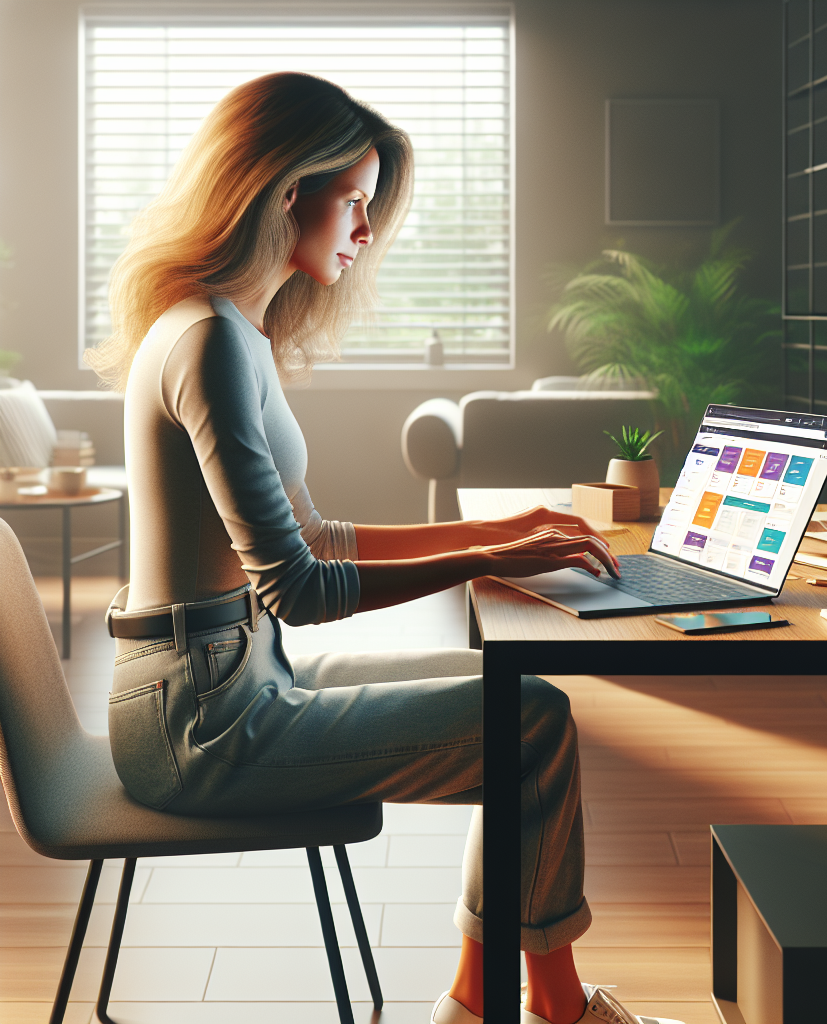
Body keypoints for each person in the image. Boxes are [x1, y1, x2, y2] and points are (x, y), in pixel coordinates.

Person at [89, 72, 680, 1024]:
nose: (364, 231)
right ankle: (554, 1011)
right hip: (201, 726)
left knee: (515, 700)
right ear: (289, 191)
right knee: (529, 722)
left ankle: (473, 1002)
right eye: (354, 201)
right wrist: (489, 561)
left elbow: (314, 536)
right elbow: (301, 586)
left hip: (226, 676)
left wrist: (500, 529)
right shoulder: (205, 341)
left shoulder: (228, 327)